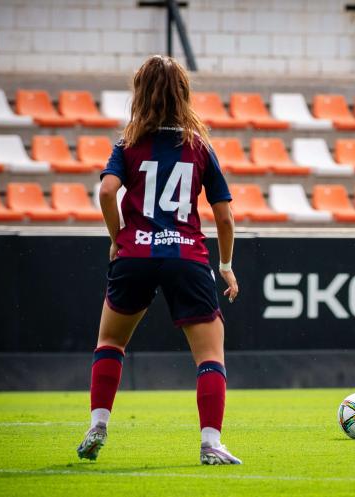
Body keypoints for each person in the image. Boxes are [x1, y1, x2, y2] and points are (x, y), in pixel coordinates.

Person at [76, 55, 241, 465]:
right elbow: (224, 215)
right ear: (183, 94)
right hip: (186, 255)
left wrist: (118, 239)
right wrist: (224, 265)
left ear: (141, 95)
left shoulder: (128, 145)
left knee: (111, 342)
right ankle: (210, 443)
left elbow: (105, 192)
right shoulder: (198, 146)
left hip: (136, 253)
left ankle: (98, 425)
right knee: (209, 355)